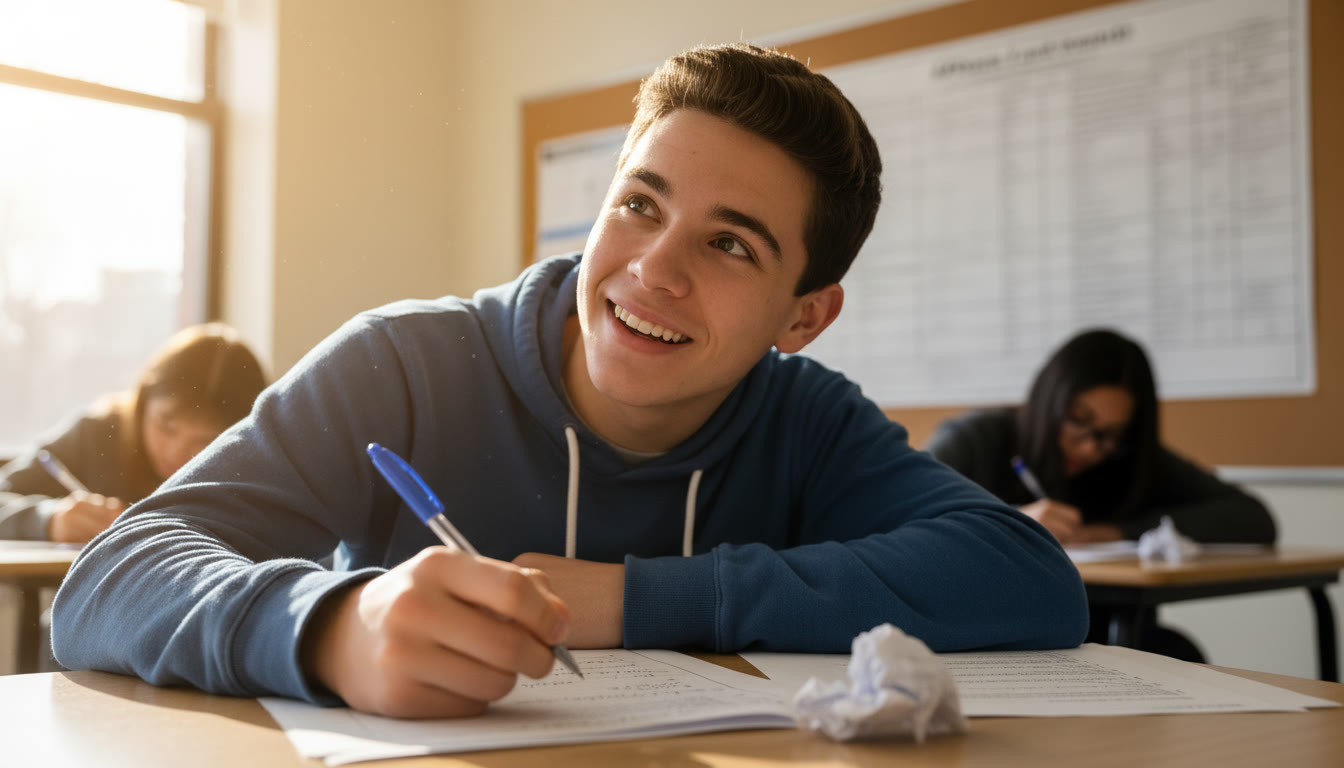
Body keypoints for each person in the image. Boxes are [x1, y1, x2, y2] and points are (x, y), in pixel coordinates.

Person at [52, 43, 1088, 719]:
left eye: (730, 245)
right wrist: (331, 627)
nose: (654, 271)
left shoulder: (805, 419)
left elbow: (1027, 576)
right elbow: (111, 577)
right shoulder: (407, 363)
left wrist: (635, 600)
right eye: (640, 205)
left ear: (803, 316)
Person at [925, 327, 1276, 661]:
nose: (1091, 447)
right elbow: (900, 523)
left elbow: (1254, 518)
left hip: (1101, 635)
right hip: (987, 634)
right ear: (1050, 400)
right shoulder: (975, 440)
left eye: (1110, 435)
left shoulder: (1131, 463)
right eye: (1079, 420)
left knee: (1174, 652)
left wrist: (1117, 532)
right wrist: (1011, 522)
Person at [0, 322, 268, 542]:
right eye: (167, 426)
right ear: (143, 401)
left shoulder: (261, 471)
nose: (175, 452)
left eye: (205, 440)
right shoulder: (97, 435)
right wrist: (48, 520)